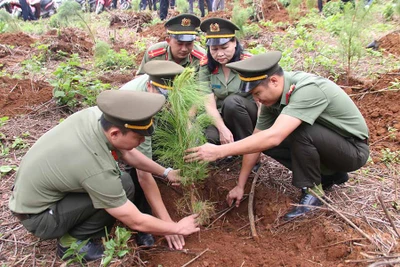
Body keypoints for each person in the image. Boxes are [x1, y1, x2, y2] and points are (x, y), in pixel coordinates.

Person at [9, 90, 200, 262]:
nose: (142, 141)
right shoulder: (94, 164)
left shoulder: (98, 118)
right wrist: (177, 228)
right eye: (138, 138)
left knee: (123, 182)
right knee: (119, 188)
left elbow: (128, 152)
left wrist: (166, 172)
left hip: (40, 194)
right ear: (115, 133)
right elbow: (134, 219)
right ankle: (72, 243)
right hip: (39, 217)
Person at [185, 51, 370, 220]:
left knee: (298, 131)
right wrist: (240, 185)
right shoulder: (271, 101)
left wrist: (220, 151)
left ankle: (314, 193)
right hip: (330, 146)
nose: (257, 100)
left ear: (274, 81)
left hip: (352, 150)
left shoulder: (307, 89)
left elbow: (274, 136)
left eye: (257, 93)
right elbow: (257, 140)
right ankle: (330, 175)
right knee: (261, 142)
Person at [119, 60, 185, 246]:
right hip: (121, 129)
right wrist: (167, 223)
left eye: (174, 96)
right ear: (149, 85)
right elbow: (143, 174)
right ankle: (143, 221)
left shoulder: (158, 95)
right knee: (135, 169)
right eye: (164, 94)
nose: (168, 101)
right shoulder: (139, 109)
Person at [199, 18, 258, 147]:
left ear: (235, 43)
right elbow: (209, 105)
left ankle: (248, 148)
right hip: (222, 117)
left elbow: (261, 102)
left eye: (225, 47)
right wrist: (222, 130)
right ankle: (231, 146)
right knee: (210, 137)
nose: (219, 54)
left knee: (232, 102)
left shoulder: (248, 63)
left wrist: (259, 135)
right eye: (214, 49)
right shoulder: (205, 67)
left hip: (248, 116)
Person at [136, 14, 206, 75]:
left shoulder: (201, 57)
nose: (184, 49)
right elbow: (141, 79)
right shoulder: (154, 54)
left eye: (189, 44)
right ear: (168, 41)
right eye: (179, 44)